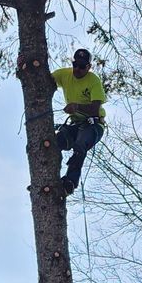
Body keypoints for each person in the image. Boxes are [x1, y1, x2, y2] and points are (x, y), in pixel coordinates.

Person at [51, 47, 106, 194]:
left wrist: (76, 107)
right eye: (75, 65)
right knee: (53, 143)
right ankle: (47, 180)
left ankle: (70, 182)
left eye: (82, 67)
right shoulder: (64, 74)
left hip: (93, 125)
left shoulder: (93, 81)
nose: (77, 69)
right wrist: (25, 70)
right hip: (75, 125)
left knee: (80, 144)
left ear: (89, 67)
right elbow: (43, 80)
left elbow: (95, 108)